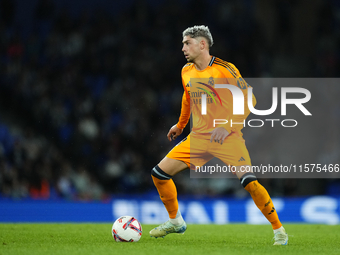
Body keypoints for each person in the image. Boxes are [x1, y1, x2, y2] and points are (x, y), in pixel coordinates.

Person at [149, 25, 288, 245]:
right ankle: (175, 221)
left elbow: (249, 99)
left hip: (227, 137)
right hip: (198, 138)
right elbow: (188, 98)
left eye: (187, 43)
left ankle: (279, 230)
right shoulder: (186, 71)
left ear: (202, 44)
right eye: (183, 43)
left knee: (250, 182)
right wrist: (181, 124)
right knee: (159, 174)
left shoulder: (225, 69)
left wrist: (228, 125)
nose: (183, 48)